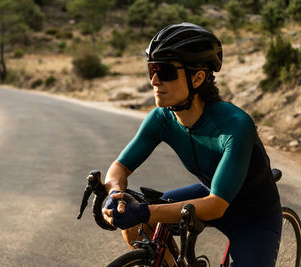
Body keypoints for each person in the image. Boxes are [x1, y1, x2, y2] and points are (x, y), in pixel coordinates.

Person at [102, 22, 282, 267]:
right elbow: (119, 168)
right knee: (136, 227)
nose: (154, 80)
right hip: (208, 195)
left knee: (144, 214)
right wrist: (115, 195)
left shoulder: (236, 125)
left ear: (197, 78)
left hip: (253, 215)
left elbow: (217, 205)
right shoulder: (161, 118)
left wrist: (146, 211)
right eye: (151, 69)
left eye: (165, 71)